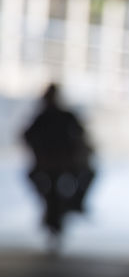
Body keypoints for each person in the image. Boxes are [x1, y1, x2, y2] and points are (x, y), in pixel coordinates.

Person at [21, 83, 95, 250]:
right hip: (53, 164)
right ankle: (74, 203)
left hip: (61, 164)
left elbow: (81, 135)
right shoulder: (48, 117)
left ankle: (75, 202)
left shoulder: (57, 116)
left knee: (87, 175)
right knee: (41, 182)